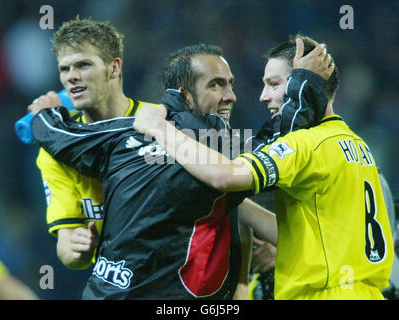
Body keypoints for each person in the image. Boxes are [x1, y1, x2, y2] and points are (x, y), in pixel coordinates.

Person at [29, 41, 330, 299]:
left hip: (103, 291)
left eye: (230, 84)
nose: (231, 96)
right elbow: (278, 138)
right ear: (185, 95)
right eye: (216, 84)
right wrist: (305, 82)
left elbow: (61, 139)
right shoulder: (217, 147)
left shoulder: (127, 131)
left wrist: (46, 113)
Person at [133, 35, 394, 300]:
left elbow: (225, 176)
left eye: (273, 84)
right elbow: (301, 234)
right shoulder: (354, 143)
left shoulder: (305, 145)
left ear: (301, 86)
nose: (263, 96)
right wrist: (228, 202)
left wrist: (159, 128)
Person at [28, 17, 157, 270]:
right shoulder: (54, 151)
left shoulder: (158, 123)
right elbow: (65, 247)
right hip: (114, 284)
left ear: (114, 68)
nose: (72, 77)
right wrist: (78, 250)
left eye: (83, 65)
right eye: (65, 69)